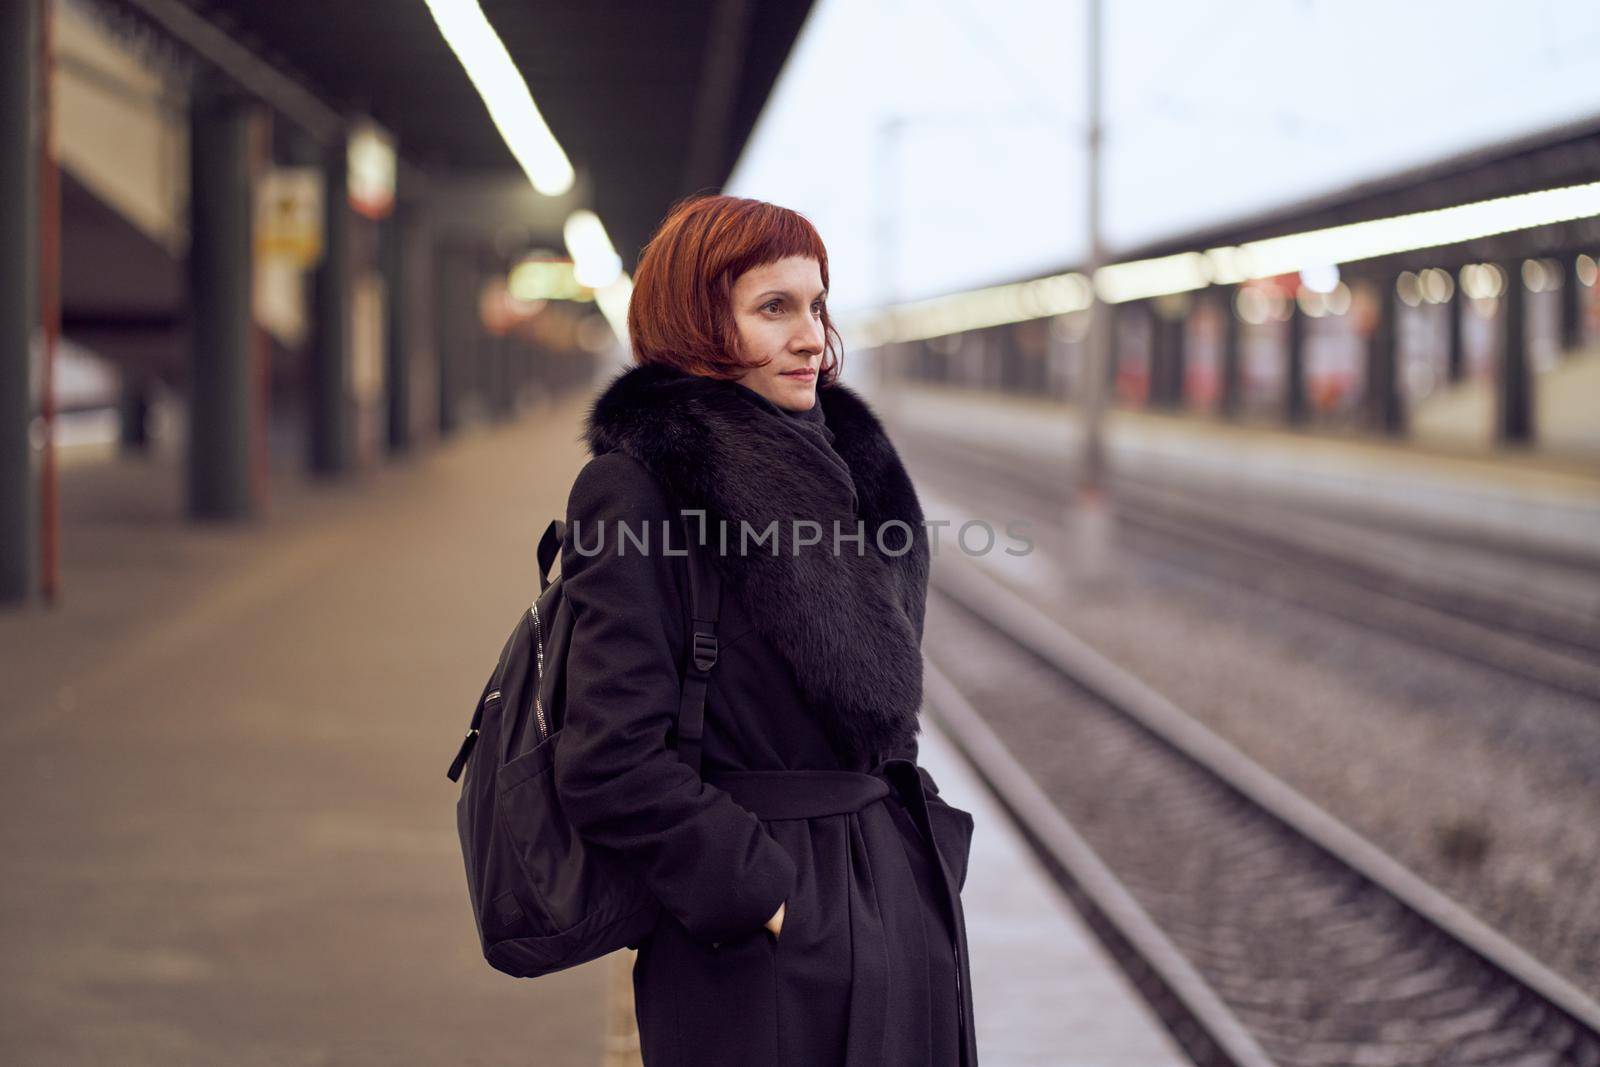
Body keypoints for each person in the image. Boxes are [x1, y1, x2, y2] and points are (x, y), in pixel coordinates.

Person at [553, 194, 978, 1066]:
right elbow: (608, 757)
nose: (812, 337)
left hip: (893, 897)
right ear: (696, 320)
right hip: (758, 941)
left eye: (816, 304)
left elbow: (878, 701)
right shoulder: (640, 488)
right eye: (773, 308)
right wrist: (767, 898)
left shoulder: (852, 468)